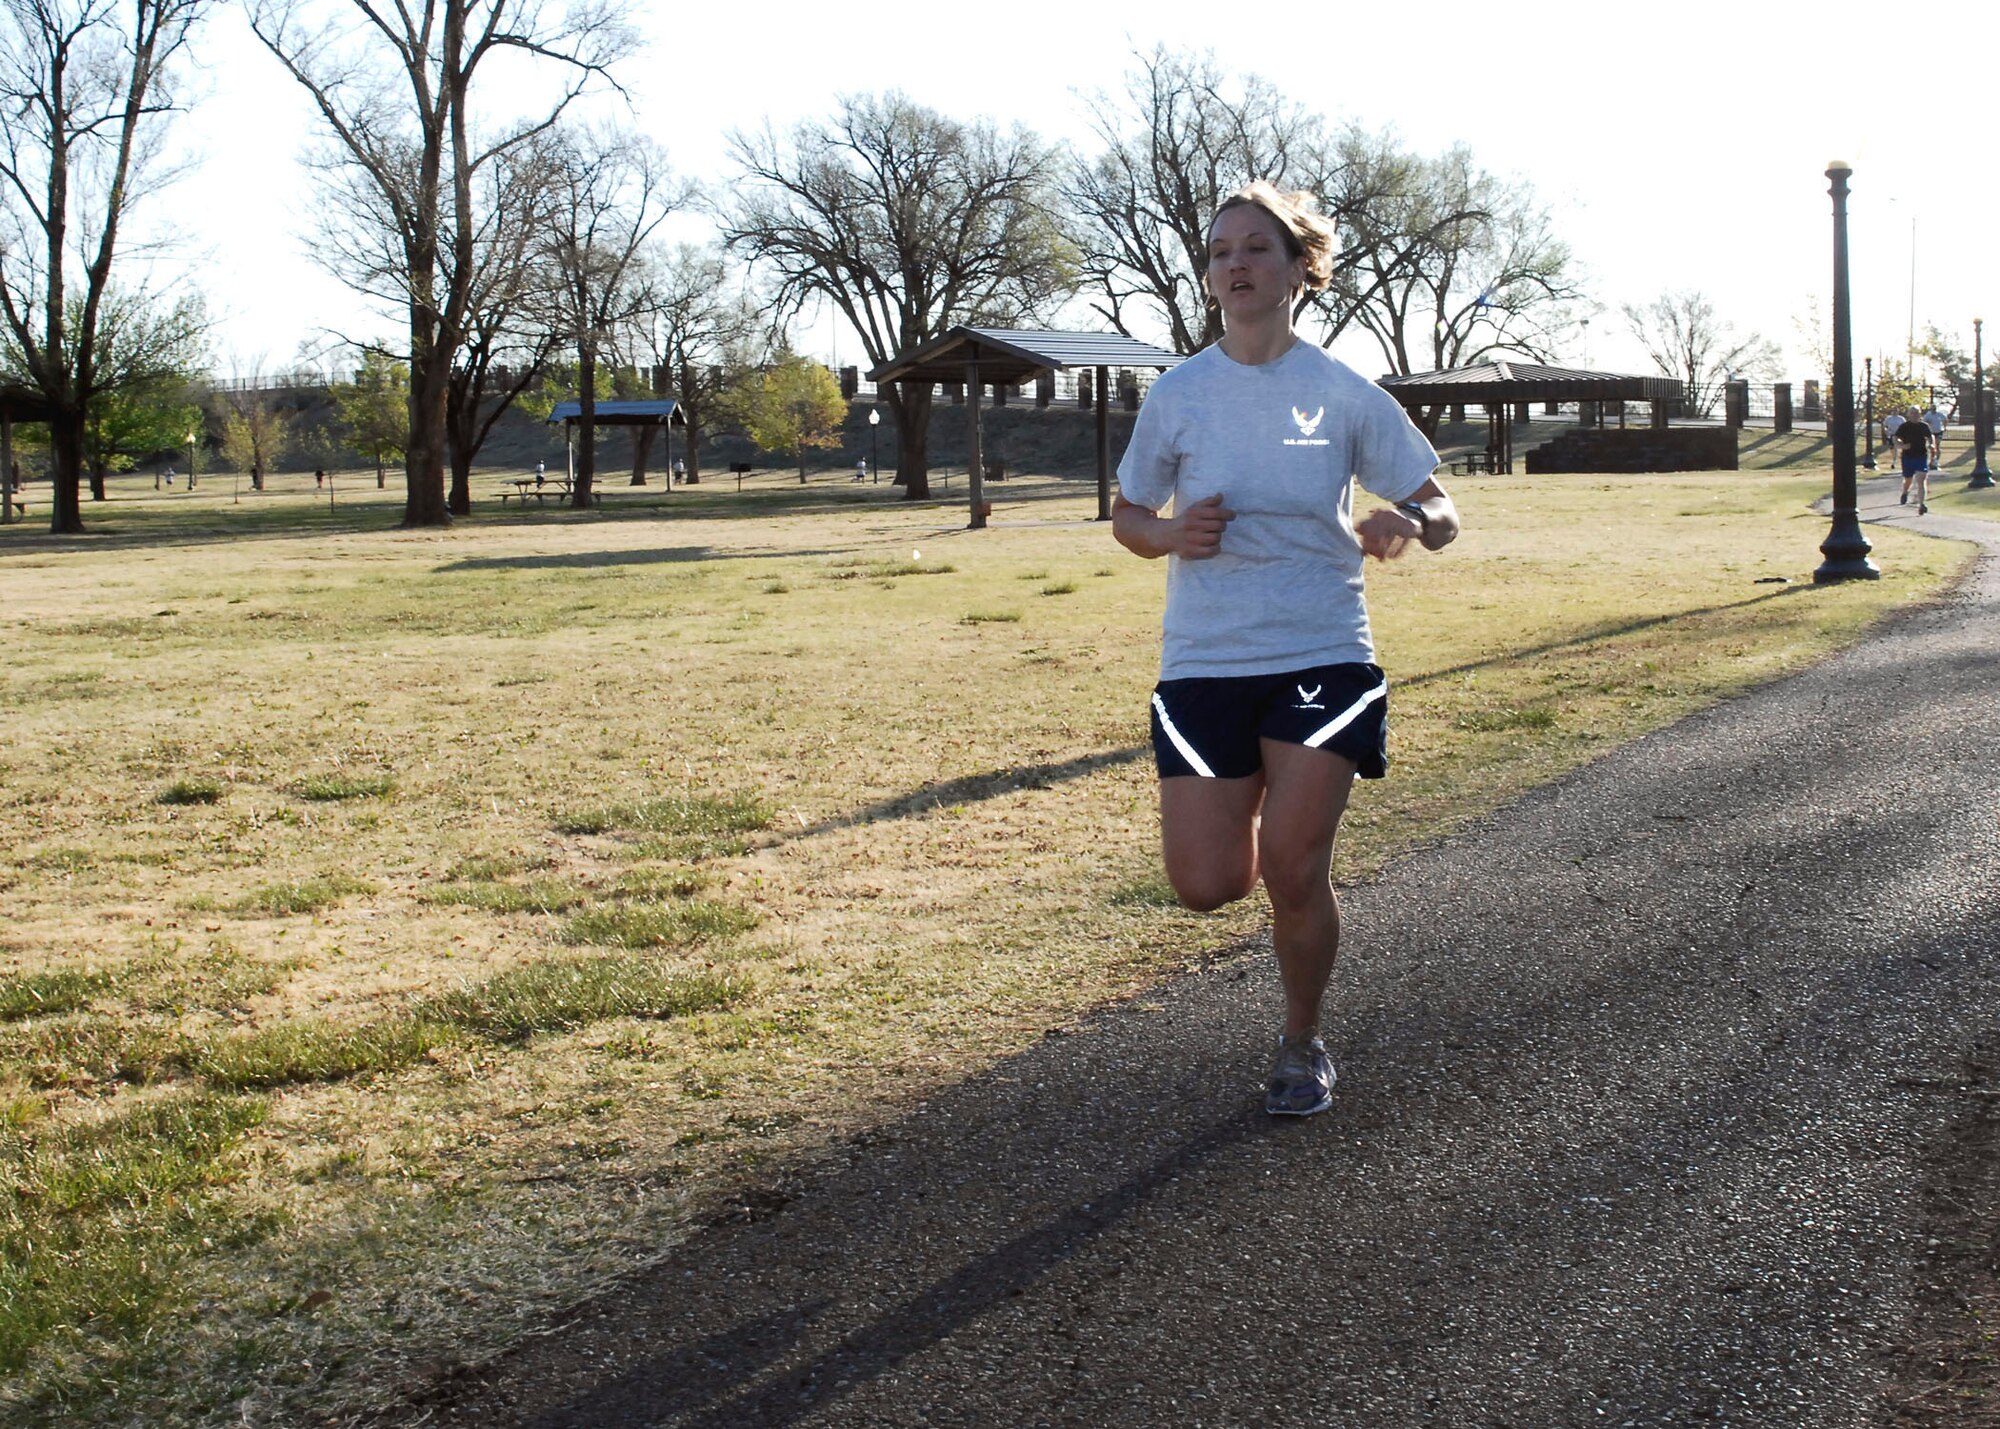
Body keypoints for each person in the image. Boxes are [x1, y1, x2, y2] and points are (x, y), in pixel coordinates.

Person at [1113, 180, 1461, 1118]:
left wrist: (1410, 519)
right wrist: (1170, 536)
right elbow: (1128, 516)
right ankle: (1254, 824)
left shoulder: (1345, 393)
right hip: (1205, 660)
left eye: (1256, 248)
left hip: (1321, 649)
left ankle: (1301, 1041)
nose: (1235, 263)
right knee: (1206, 883)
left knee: (1294, 871)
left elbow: (1444, 506)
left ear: (1300, 268)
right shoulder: (1179, 394)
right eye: (1222, 250)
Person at [1898, 404, 1936, 512]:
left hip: (1921, 456)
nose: (1915, 415)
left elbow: (1930, 437)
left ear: (1920, 414)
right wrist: (1901, 445)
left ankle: (1922, 505)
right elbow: (1896, 438)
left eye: (1917, 413)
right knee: (1908, 480)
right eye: (1912, 413)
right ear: (1908, 414)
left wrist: (1932, 445)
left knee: (1921, 479)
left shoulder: (1924, 426)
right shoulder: (1904, 426)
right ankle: (1905, 492)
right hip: (1908, 457)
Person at [1923, 404, 1945, 472]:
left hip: (1939, 432)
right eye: (1932, 409)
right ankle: (1932, 461)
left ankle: (1936, 461)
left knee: (1937, 446)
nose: (1933, 410)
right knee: (1932, 447)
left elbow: (1945, 419)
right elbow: (1924, 422)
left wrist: (1945, 427)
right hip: (1931, 433)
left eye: (1934, 409)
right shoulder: (1928, 415)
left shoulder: (1939, 414)